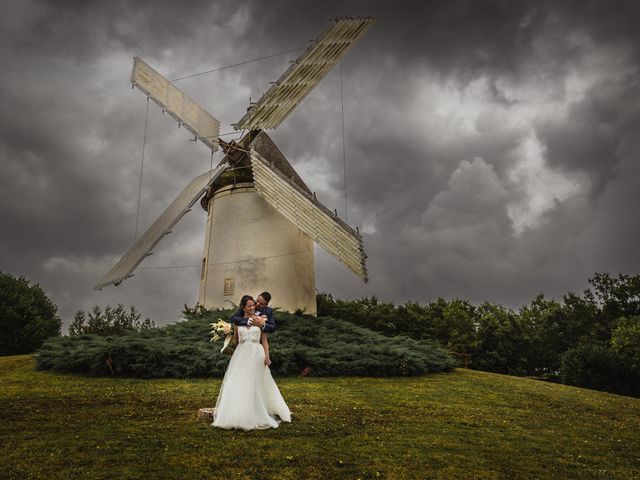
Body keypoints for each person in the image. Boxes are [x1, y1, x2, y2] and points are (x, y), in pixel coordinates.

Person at [212, 295, 290, 430]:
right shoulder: (238, 321)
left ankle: (257, 409)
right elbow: (236, 340)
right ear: (243, 307)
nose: (253, 307)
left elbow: (264, 340)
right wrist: (227, 338)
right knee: (240, 381)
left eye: (254, 305)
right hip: (242, 354)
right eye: (250, 306)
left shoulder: (260, 319)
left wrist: (267, 356)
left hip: (257, 353)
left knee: (254, 382)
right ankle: (238, 411)